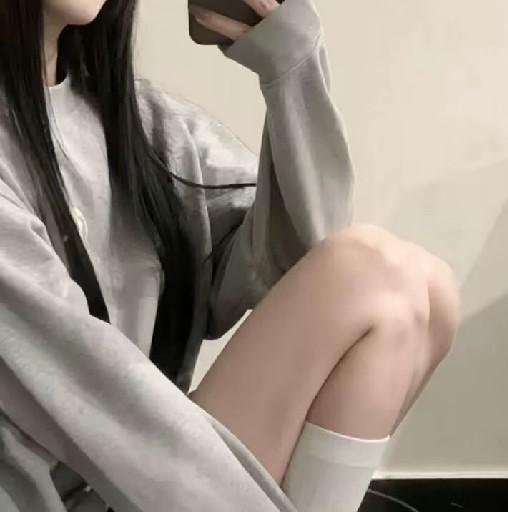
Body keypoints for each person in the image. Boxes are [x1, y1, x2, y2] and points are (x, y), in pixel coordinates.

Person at [0, 0, 461, 510]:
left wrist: (290, 60)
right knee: (369, 273)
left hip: (153, 482)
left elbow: (311, 272)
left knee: (429, 292)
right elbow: (96, 398)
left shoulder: (144, 125)